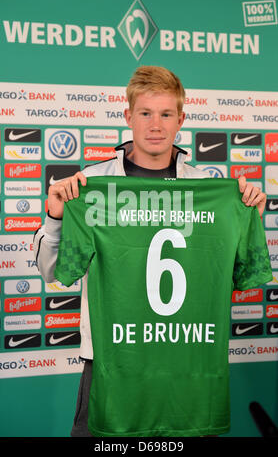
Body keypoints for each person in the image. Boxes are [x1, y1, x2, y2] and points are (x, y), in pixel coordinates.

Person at [34, 65, 267, 437]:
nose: (155, 125)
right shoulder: (91, 185)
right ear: (128, 116)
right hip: (113, 359)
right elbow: (52, 273)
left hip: (185, 356)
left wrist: (246, 217)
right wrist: (55, 219)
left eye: (165, 114)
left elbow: (239, 277)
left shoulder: (210, 189)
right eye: (145, 113)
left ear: (181, 119)